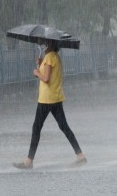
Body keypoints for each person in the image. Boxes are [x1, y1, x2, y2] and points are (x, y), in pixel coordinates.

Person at [13, 40, 87, 169]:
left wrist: (36, 73)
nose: (43, 45)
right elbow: (50, 75)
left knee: (36, 128)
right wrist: (42, 65)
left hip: (46, 99)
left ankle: (28, 161)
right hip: (56, 96)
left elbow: (46, 79)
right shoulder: (55, 57)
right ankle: (80, 155)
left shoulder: (49, 57)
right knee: (64, 127)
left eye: (45, 43)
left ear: (49, 45)